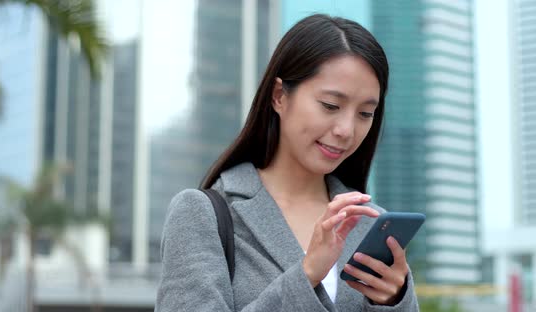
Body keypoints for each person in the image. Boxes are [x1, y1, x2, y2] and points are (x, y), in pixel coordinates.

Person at [155, 14, 419, 311]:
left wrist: (395, 301)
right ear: (279, 95)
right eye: (330, 106)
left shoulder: (369, 223)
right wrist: (306, 275)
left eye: (365, 113)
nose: (346, 129)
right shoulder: (201, 215)